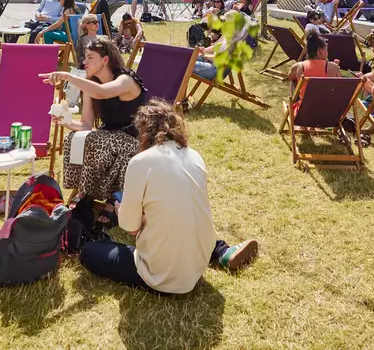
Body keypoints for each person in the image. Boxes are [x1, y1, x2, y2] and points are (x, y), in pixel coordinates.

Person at [79, 99, 258, 293]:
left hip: (161, 275)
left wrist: (121, 210)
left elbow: (130, 228)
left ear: (143, 132)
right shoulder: (195, 156)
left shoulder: (140, 162)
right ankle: (221, 252)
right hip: (198, 263)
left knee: (90, 252)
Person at [42, 38, 145, 226]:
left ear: (105, 60)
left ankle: (112, 200)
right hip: (108, 135)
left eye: (90, 57)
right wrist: (66, 121)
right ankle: (87, 191)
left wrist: (69, 77)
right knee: (75, 138)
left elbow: (103, 92)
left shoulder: (126, 79)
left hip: (135, 139)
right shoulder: (90, 85)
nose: (84, 62)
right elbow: (86, 125)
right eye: (85, 57)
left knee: (99, 141)